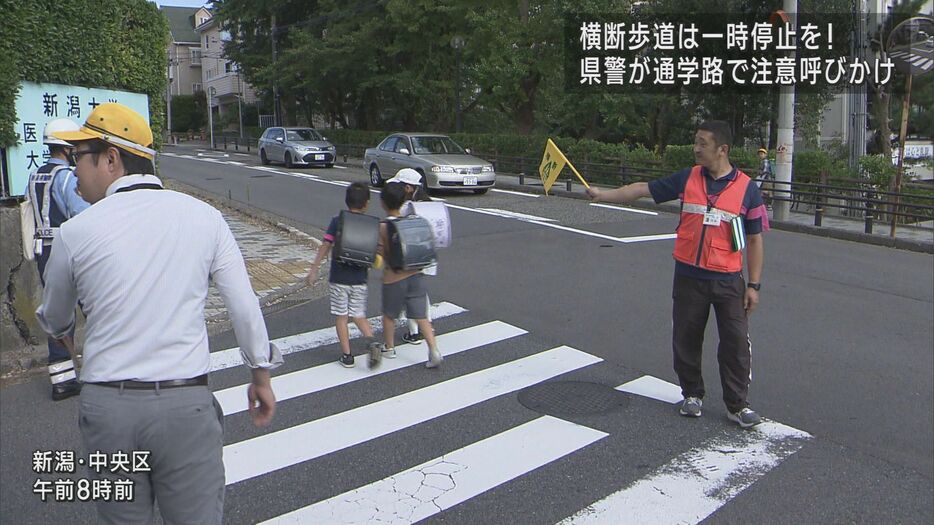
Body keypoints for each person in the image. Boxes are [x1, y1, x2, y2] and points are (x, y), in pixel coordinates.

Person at [36, 102, 282, 523]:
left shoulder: (75, 233)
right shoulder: (205, 218)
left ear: (111, 158)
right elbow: (244, 305)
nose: (74, 171)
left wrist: (70, 339)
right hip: (185, 405)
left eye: (80, 157)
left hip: (110, 413)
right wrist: (260, 375)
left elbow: (56, 319)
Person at [586, 120, 768, 429]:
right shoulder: (688, 178)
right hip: (689, 275)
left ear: (722, 149)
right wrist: (604, 195)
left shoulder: (747, 189)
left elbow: (754, 239)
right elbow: (642, 189)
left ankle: (737, 405)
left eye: (702, 144)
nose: (696, 149)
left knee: (735, 343)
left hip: (727, 279)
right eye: (695, 142)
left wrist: (754, 285)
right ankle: (692, 394)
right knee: (686, 337)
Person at [26, 118, 91, 400]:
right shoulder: (65, 177)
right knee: (93, 306)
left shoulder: (36, 175)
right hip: (65, 248)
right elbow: (82, 214)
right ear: (68, 149)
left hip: (42, 251)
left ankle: (62, 379)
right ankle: (104, 368)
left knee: (57, 313)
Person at [305, 182, 382, 368]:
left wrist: (314, 268)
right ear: (366, 204)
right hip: (360, 279)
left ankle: (347, 356)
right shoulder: (372, 224)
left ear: (347, 201)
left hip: (339, 278)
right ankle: (372, 341)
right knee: (358, 315)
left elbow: (326, 244)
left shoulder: (337, 220)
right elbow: (376, 250)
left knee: (341, 316)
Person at [375, 182, 443, 368]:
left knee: (389, 314)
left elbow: (379, 256)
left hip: (394, 278)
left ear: (383, 203)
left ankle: (389, 348)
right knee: (421, 315)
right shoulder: (413, 221)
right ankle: (433, 349)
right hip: (416, 274)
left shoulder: (383, 227)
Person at [387, 168, 433, 345]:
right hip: (425, 253)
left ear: (408, 187)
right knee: (420, 292)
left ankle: (415, 332)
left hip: (410, 256)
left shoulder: (407, 207)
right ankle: (426, 325)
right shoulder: (428, 204)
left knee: (409, 293)